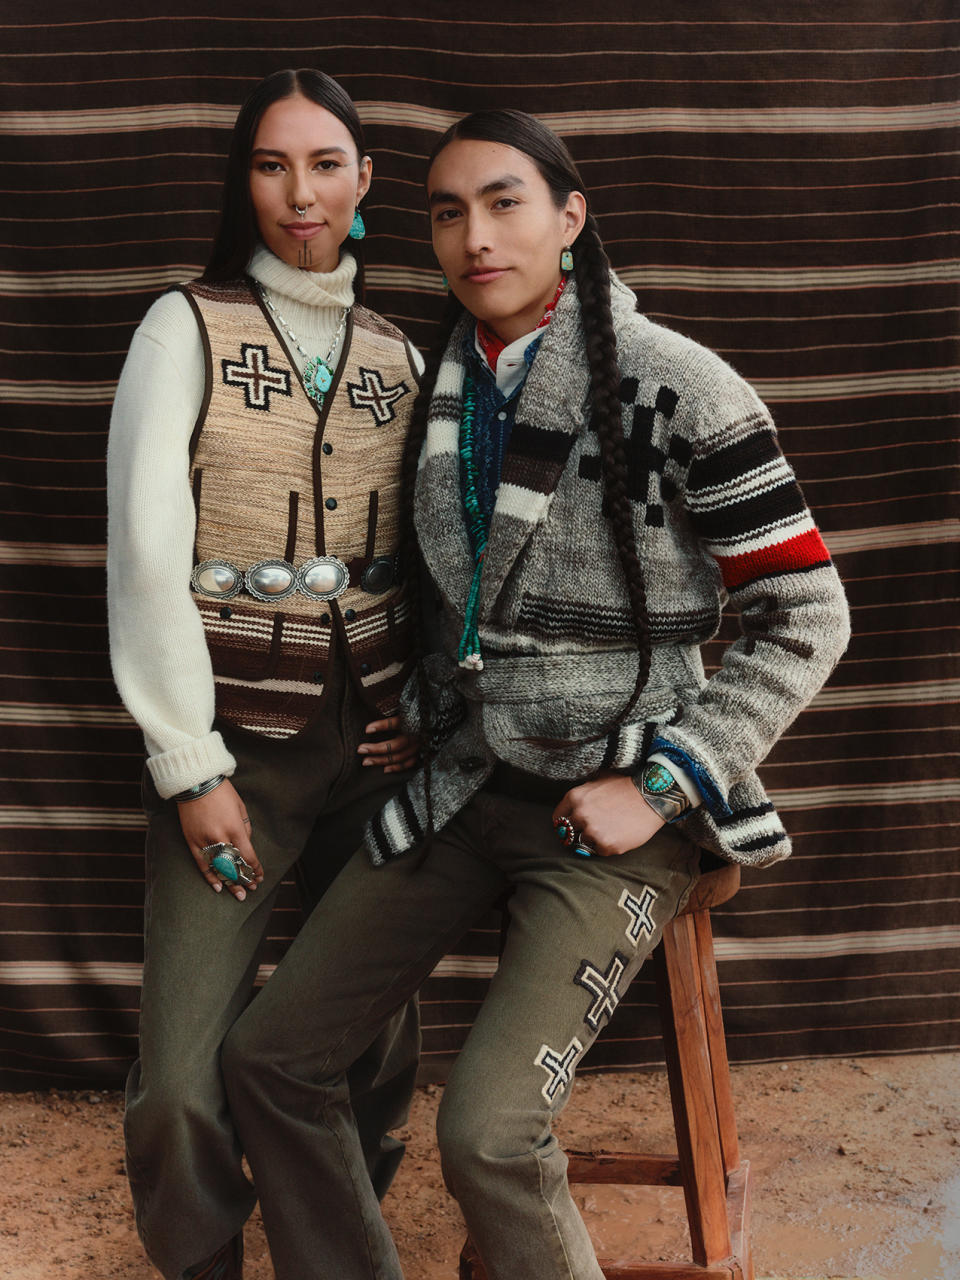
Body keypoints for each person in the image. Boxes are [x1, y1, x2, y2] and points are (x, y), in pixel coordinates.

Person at [221, 109, 851, 1280]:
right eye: (447, 211)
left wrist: (663, 783)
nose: (474, 235)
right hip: (468, 780)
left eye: (505, 201)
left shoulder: (682, 386)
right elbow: (451, 599)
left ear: (570, 217)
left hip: (616, 807)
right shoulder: (440, 391)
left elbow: (813, 613)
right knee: (270, 1057)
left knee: (488, 1134)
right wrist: (417, 700)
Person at [106, 68, 425, 1280]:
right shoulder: (184, 324)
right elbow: (143, 549)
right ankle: (202, 1262)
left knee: (374, 1034)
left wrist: (426, 711)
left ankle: (339, 1234)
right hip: (233, 740)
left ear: (366, 180)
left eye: (328, 163)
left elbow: (443, 550)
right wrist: (189, 762)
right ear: (242, 181)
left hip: (378, 744)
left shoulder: (400, 349)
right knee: (183, 1077)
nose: (303, 193)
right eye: (273, 164)